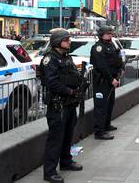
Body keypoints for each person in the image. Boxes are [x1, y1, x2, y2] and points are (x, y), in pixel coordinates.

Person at [41, 29, 83, 183]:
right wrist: (69, 91)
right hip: (58, 105)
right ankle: (49, 172)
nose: (69, 42)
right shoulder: (49, 59)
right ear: (58, 42)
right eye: (66, 40)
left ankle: (66, 162)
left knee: (67, 135)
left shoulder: (66, 57)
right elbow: (52, 82)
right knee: (55, 139)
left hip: (69, 104)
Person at [90, 26, 124, 140]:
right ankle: (99, 132)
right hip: (102, 81)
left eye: (111, 33)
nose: (110, 35)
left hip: (111, 80)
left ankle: (106, 125)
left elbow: (117, 59)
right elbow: (102, 66)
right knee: (101, 106)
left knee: (109, 104)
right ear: (101, 34)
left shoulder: (111, 45)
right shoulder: (98, 48)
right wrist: (111, 79)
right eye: (107, 33)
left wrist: (121, 68)